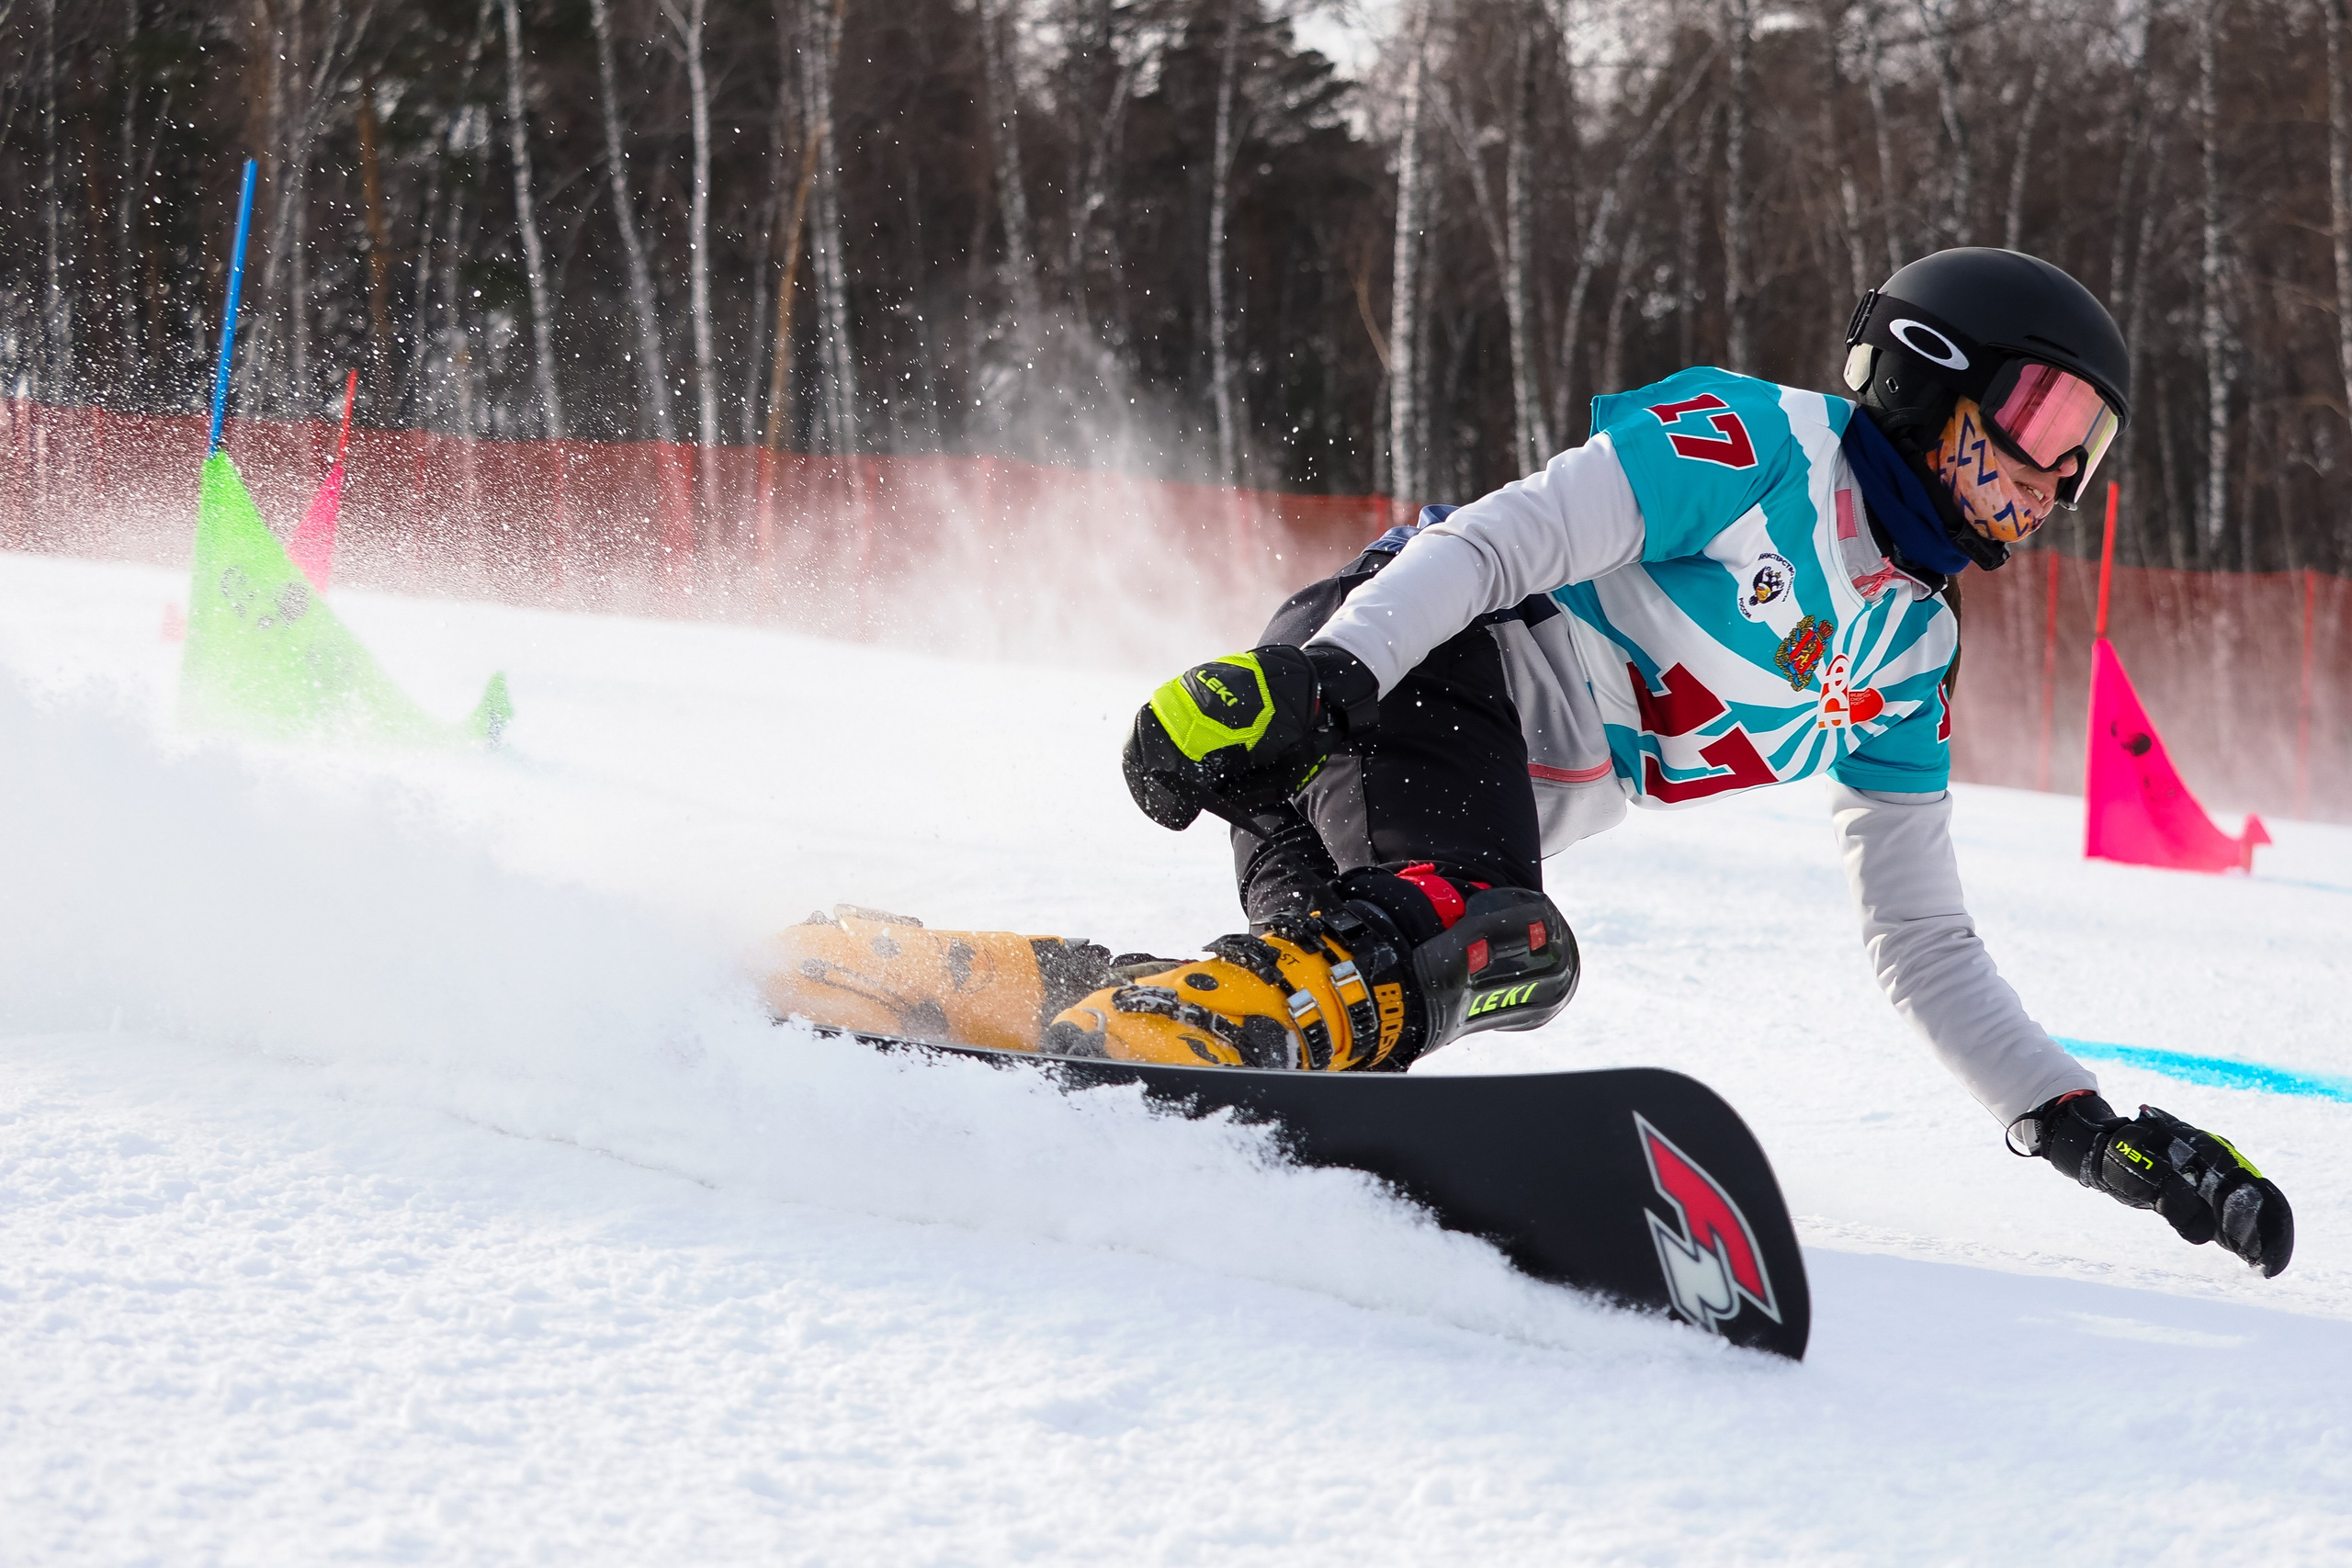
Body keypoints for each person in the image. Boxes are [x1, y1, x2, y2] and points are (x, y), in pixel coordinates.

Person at [1077, 246, 2292, 1279]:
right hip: (1402, 661)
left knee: (1367, 1001)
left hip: (1413, 773)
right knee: (1494, 938)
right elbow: (1498, 542)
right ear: (1932, 368)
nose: (2058, 476)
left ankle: (1134, 1029)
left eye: (2090, 445)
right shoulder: (1761, 448)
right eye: (2046, 417)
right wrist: (1335, 677)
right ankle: (1209, 1022)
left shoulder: (1913, 648)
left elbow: (1922, 939)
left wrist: (2076, 1125)